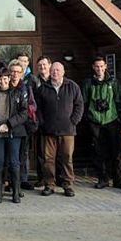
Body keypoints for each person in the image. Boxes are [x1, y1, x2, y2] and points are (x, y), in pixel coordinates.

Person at [35, 62, 84, 197]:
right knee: (48, 159)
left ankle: (68, 185)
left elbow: (79, 105)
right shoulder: (42, 88)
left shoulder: (72, 86)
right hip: (48, 131)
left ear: (63, 72)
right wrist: (42, 123)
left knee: (67, 158)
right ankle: (49, 184)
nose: (55, 72)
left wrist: (73, 121)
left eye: (58, 70)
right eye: (53, 70)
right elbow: (37, 109)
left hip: (67, 131)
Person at [0, 67, 28, 203]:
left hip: (14, 132)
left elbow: (24, 112)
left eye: (5, 78)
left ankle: (15, 192)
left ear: (9, 79)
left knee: (14, 163)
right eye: (0, 79)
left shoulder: (18, 93)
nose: (2, 81)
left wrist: (9, 124)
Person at [82, 56, 121, 189]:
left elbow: (119, 101)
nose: (99, 69)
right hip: (94, 121)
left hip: (111, 120)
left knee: (116, 151)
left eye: (101, 66)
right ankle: (103, 178)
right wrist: (87, 118)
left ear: (106, 66)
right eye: (97, 66)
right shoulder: (88, 83)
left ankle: (118, 179)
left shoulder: (113, 83)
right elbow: (84, 102)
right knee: (98, 152)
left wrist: (120, 120)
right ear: (93, 67)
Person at [16, 52, 38, 191]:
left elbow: (36, 101)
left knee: (24, 152)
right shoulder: (12, 78)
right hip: (14, 121)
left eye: (25, 61)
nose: (23, 63)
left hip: (27, 122)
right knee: (12, 152)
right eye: (20, 61)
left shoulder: (33, 80)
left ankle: (23, 178)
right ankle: (11, 180)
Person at [33, 55, 51, 188]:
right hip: (39, 121)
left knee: (55, 153)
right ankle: (42, 178)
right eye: (40, 66)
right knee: (40, 152)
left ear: (49, 65)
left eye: (44, 65)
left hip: (54, 122)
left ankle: (55, 177)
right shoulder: (34, 81)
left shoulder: (55, 79)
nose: (42, 67)